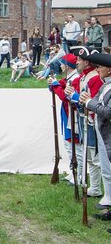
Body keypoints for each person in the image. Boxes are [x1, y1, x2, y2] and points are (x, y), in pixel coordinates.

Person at [65, 46, 103, 198]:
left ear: (87, 62)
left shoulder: (93, 77)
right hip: (83, 120)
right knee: (88, 155)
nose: (77, 62)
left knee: (94, 157)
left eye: (80, 59)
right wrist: (71, 95)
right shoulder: (83, 77)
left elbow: (91, 101)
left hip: (91, 121)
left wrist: (73, 96)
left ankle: (96, 188)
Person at [79, 52, 111, 231]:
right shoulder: (105, 86)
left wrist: (89, 103)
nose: (97, 69)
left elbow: (108, 112)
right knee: (107, 170)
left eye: (101, 66)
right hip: (103, 133)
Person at [48, 53, 81, 185]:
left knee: (75, 146)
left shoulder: (75, 79)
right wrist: (53, 84)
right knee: (68, 144)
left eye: (63, 63)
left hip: (72, 114)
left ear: (68, 66)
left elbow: (64, 96)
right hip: (66, 113)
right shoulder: (69, 77)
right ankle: (72, 171)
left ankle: (78, 176)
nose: (61, 65)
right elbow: (59, 86)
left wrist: (55, 86)